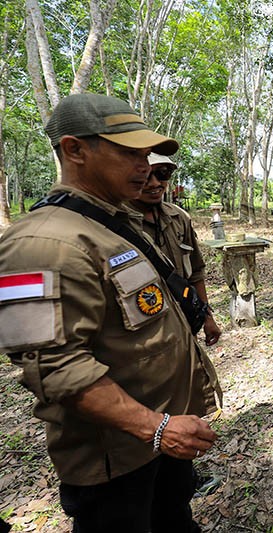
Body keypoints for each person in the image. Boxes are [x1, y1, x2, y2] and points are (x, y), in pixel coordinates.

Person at [0, 93, 222, 533]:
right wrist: (156, 428)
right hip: (117, 458)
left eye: (146, 154)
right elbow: (58, 370)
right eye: (128, 153)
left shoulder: (113, 224)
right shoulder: (42, 244)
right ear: (74, 150)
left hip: (158, 440)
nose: (144, 166)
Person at [128, 153, 222, 346]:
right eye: (145, 176)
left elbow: (196, 272)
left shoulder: (179, 218)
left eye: (162, 174)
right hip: (143, 337)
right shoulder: (116, 223)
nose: (155, 183)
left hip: (185, 322)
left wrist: (207, 318)